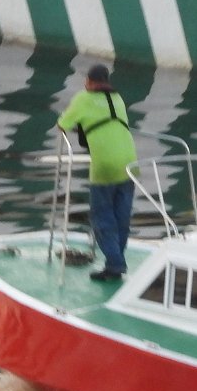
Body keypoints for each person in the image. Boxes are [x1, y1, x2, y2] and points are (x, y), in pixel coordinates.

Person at [57, 63, 137, 281]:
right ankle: (116, 261)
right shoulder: (118, 98)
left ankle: (115, 264)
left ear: (89, 82)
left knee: (102, 217)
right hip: (130, 162)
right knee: (121, 217)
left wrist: (79, 124)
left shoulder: (83, 98)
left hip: (105, 165)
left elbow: (62, 125)